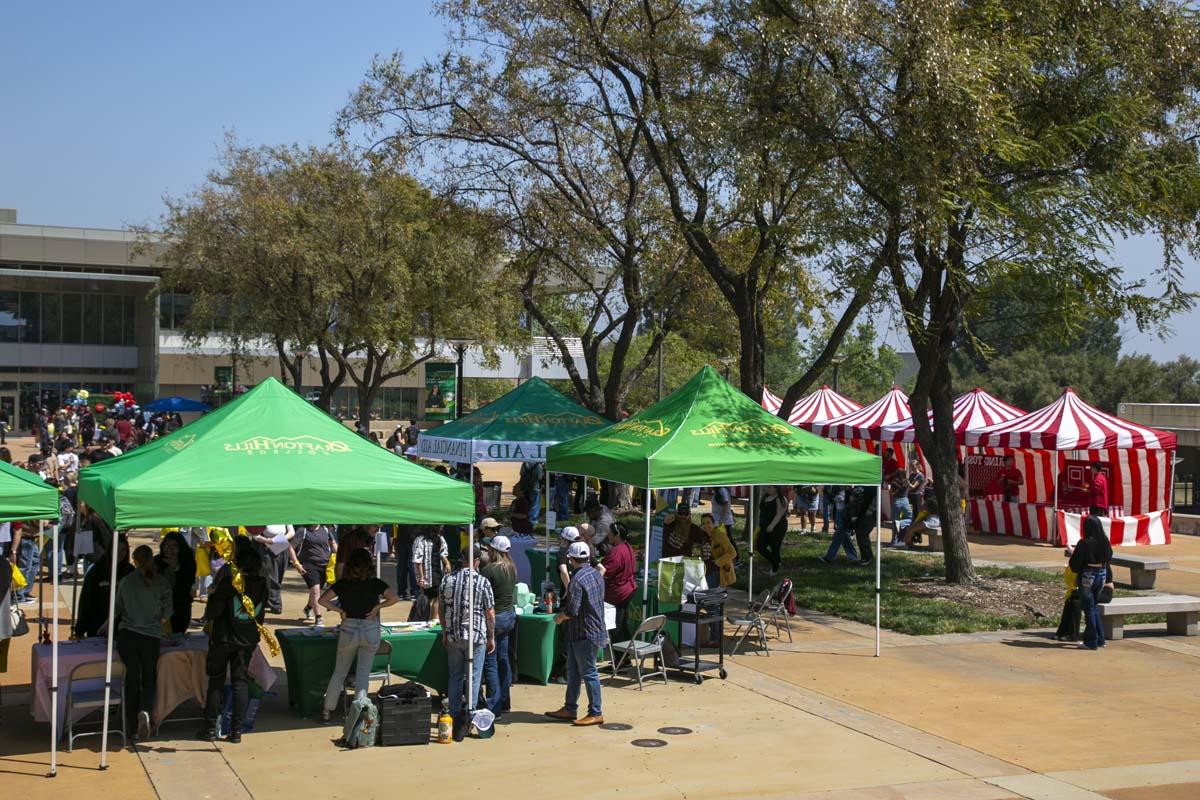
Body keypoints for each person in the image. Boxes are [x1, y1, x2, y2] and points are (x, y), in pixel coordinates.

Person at [317, 549, 399, 722]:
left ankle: (327, 710)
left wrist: (341, 611)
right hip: (370, 629)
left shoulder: (343, 583)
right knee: (363, 673)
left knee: (339, 672)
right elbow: (394, 598)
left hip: (349, 628)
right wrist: (377, 608)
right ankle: (359, 710)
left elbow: (322, 600)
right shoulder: (375, 582)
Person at [198, 545, 267, 743]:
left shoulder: (230, 582)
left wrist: (213, 593)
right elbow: (260, 614)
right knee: (240, 683)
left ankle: (210, 728)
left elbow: (214, 612)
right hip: (247, 639)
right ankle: (236, 732)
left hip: (224, 638)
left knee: (216, 682)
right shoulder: (262, 584)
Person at [114, 544, 172, 741]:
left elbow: (116, 609)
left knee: (132, 678)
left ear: (135, 561)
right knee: (149, 678)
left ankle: (131, 726)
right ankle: (145, 710)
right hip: (151, 636)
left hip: (128, 635)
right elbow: (168, 612)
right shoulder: (161, 582)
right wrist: (157, 621)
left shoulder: (126, 582)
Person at [545, 541, 607, 726]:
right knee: (573, 671)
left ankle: (596, 712)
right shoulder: (596, 574)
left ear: (571, 559)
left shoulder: (576, 581)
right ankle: (570, 708)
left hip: (584, 633)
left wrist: (559, 618)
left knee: (589, 673)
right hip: (587, 631)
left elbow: (572, 611)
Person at [439, 548, 495, 735]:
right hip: (476, 634)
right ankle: (469, 716)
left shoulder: (447, 579)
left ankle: (455, 714)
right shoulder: (482, 581)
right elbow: (490, 613)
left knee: (455, 676)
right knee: (473, 677)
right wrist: (491, 636)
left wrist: (444, 632)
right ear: (477, 561)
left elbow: (440, 608)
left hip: (453, 634)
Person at [481, 535, 516, 717]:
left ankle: (494, 705)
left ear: (493, 550)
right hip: (509, 616)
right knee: (503, 659)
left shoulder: (489, 570)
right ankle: (505, 701)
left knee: (491, 662)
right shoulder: (511, 568)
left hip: (496, 617)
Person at [1069, 515, 1113, 650]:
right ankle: (1100, 639)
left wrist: (1073, 554)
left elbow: (1075, 565)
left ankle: (1091, 641)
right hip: (1101, 575)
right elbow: (1109, 556)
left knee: (1088, 608)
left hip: (1087, 576)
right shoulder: (1104, 541)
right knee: (1093, 607)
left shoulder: (1084, 543)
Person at [290, 524, 337, 626]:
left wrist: (338, 556)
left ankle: (308, 608)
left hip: (325, 565)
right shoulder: (303, 530)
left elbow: (333, 543)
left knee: (317, 591)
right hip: (309, 565)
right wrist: (296, 563)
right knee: (315, 590)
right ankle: (319, 618)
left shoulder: (325, 529)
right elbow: (291, 547)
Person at [601, 522, 637, 642]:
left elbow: (606, 572)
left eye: (610, 533)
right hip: (627, 589)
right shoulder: (627, 547)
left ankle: (621, 657)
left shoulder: (617, 552)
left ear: (616, 535)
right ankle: (624, 656)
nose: (608, 535)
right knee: (622, 624)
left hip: (619, 593)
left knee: (616, 626)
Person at [158, 531, 197, 634]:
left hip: (180, 610)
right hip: (158, 610)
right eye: (167, 545)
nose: (169, 549)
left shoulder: (188, 562)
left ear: (180, 547)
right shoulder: (157, 561)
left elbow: (187, 585)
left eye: (174, 546)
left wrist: (175, 567)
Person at [251, 524, 294, 614]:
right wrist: (267, 540)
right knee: (271, 577)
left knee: (279, 577)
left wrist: (279, 540)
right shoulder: (262, 517)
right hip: (267, 547)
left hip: (282, 546)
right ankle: (276, 604)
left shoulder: (285, 514)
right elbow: (255, 535)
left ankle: (267, 599)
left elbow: (291, 532)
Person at [413, 525, 450, 622]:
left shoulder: (440, 538)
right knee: (427, 598)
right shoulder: (420, 540)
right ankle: (425, 619)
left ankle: (432, 620)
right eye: (439, 525)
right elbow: (418, 560)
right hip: (427, 574)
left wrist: (447, 563)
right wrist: (421, 577)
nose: (441, 527)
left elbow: (443, 553)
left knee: (438, 597)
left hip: (438, 571)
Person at [817, 487, 860, 564]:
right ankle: (853, 557)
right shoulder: (835, 488)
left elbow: (851, 501)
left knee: (838, 536)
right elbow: (831, 499)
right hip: (838, 513)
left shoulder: (849, 489)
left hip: (845, 514)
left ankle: (829, 557)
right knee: (844, 537)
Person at [756, 487, 789, 576]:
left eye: (770, 487)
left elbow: (779, 514)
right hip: (764, 526)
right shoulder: (765, 496)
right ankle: (776, 561)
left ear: (776, 488)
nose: (767, 488)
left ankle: (774, 570)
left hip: (777, 526)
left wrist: (772, 525)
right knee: (760, 546)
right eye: (767, 486)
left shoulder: (781, 499)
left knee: (775, 547)